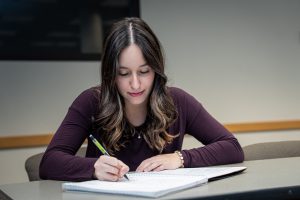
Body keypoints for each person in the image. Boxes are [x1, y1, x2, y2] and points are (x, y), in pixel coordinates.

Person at [39, 17, 244, 182]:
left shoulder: (178, 101)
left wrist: (179, 158)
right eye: (124, 73)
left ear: (156, 69)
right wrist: (93, 168)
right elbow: (49, 162)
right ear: (111, 74)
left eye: (144, 71)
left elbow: (232, 147)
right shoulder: (91, 102)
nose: (135, 84)